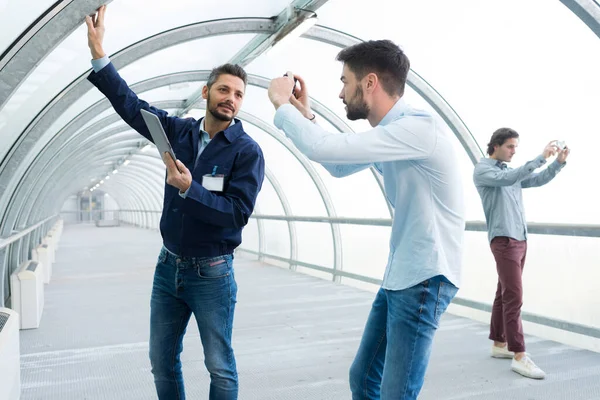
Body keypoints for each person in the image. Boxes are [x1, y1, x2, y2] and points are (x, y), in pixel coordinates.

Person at [268, 40, 465, 399]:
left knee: (396, 393)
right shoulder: (393, 134)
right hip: (403, 275)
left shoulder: (417, 130)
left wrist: (283, 106)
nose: (341, 92)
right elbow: (339, 164)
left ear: (370, 82)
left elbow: (326, 149)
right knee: (363, 378)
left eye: (345, 81)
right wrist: (304, 115)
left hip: (424, 278)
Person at [85, 6, 265, 400]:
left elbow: (237, 213)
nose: (230, 99)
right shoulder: (178, 131)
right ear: (206, 92)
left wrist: (190, 189)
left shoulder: (246, 152)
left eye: (238, 94)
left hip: (212, 274)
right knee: (161, 360)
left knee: (220, 366)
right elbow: (131, 106)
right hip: (168, 268)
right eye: (223, 89)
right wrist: (100, 54)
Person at [473, 128, 569, 379]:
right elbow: (513, 177)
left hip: (519, 239)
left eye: (516, 147)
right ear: (495, 145)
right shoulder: (485, 171)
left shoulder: (508, 172)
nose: (514, 151)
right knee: (514, 297)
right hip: (504, 240)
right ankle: (519, 355)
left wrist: (557, 164)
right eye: (510, 147)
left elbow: (536, 179)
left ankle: (499, 343)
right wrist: (541, 157)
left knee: (503, 293)